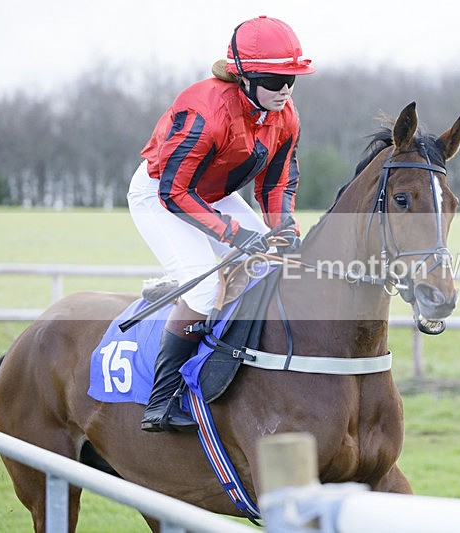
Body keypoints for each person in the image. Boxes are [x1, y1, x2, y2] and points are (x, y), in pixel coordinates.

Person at [127, 16, 315, 433]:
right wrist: (234, 234)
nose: (285, 90)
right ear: (244, 77)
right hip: (160, 193)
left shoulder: (284, 115)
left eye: (291, 80)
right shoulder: (205, 110)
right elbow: (175, 192)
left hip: (210, 192)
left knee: (271, 266)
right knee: (205, 286)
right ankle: (161, 400)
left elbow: (277, 182)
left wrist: (284, 228)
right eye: (274, 80)